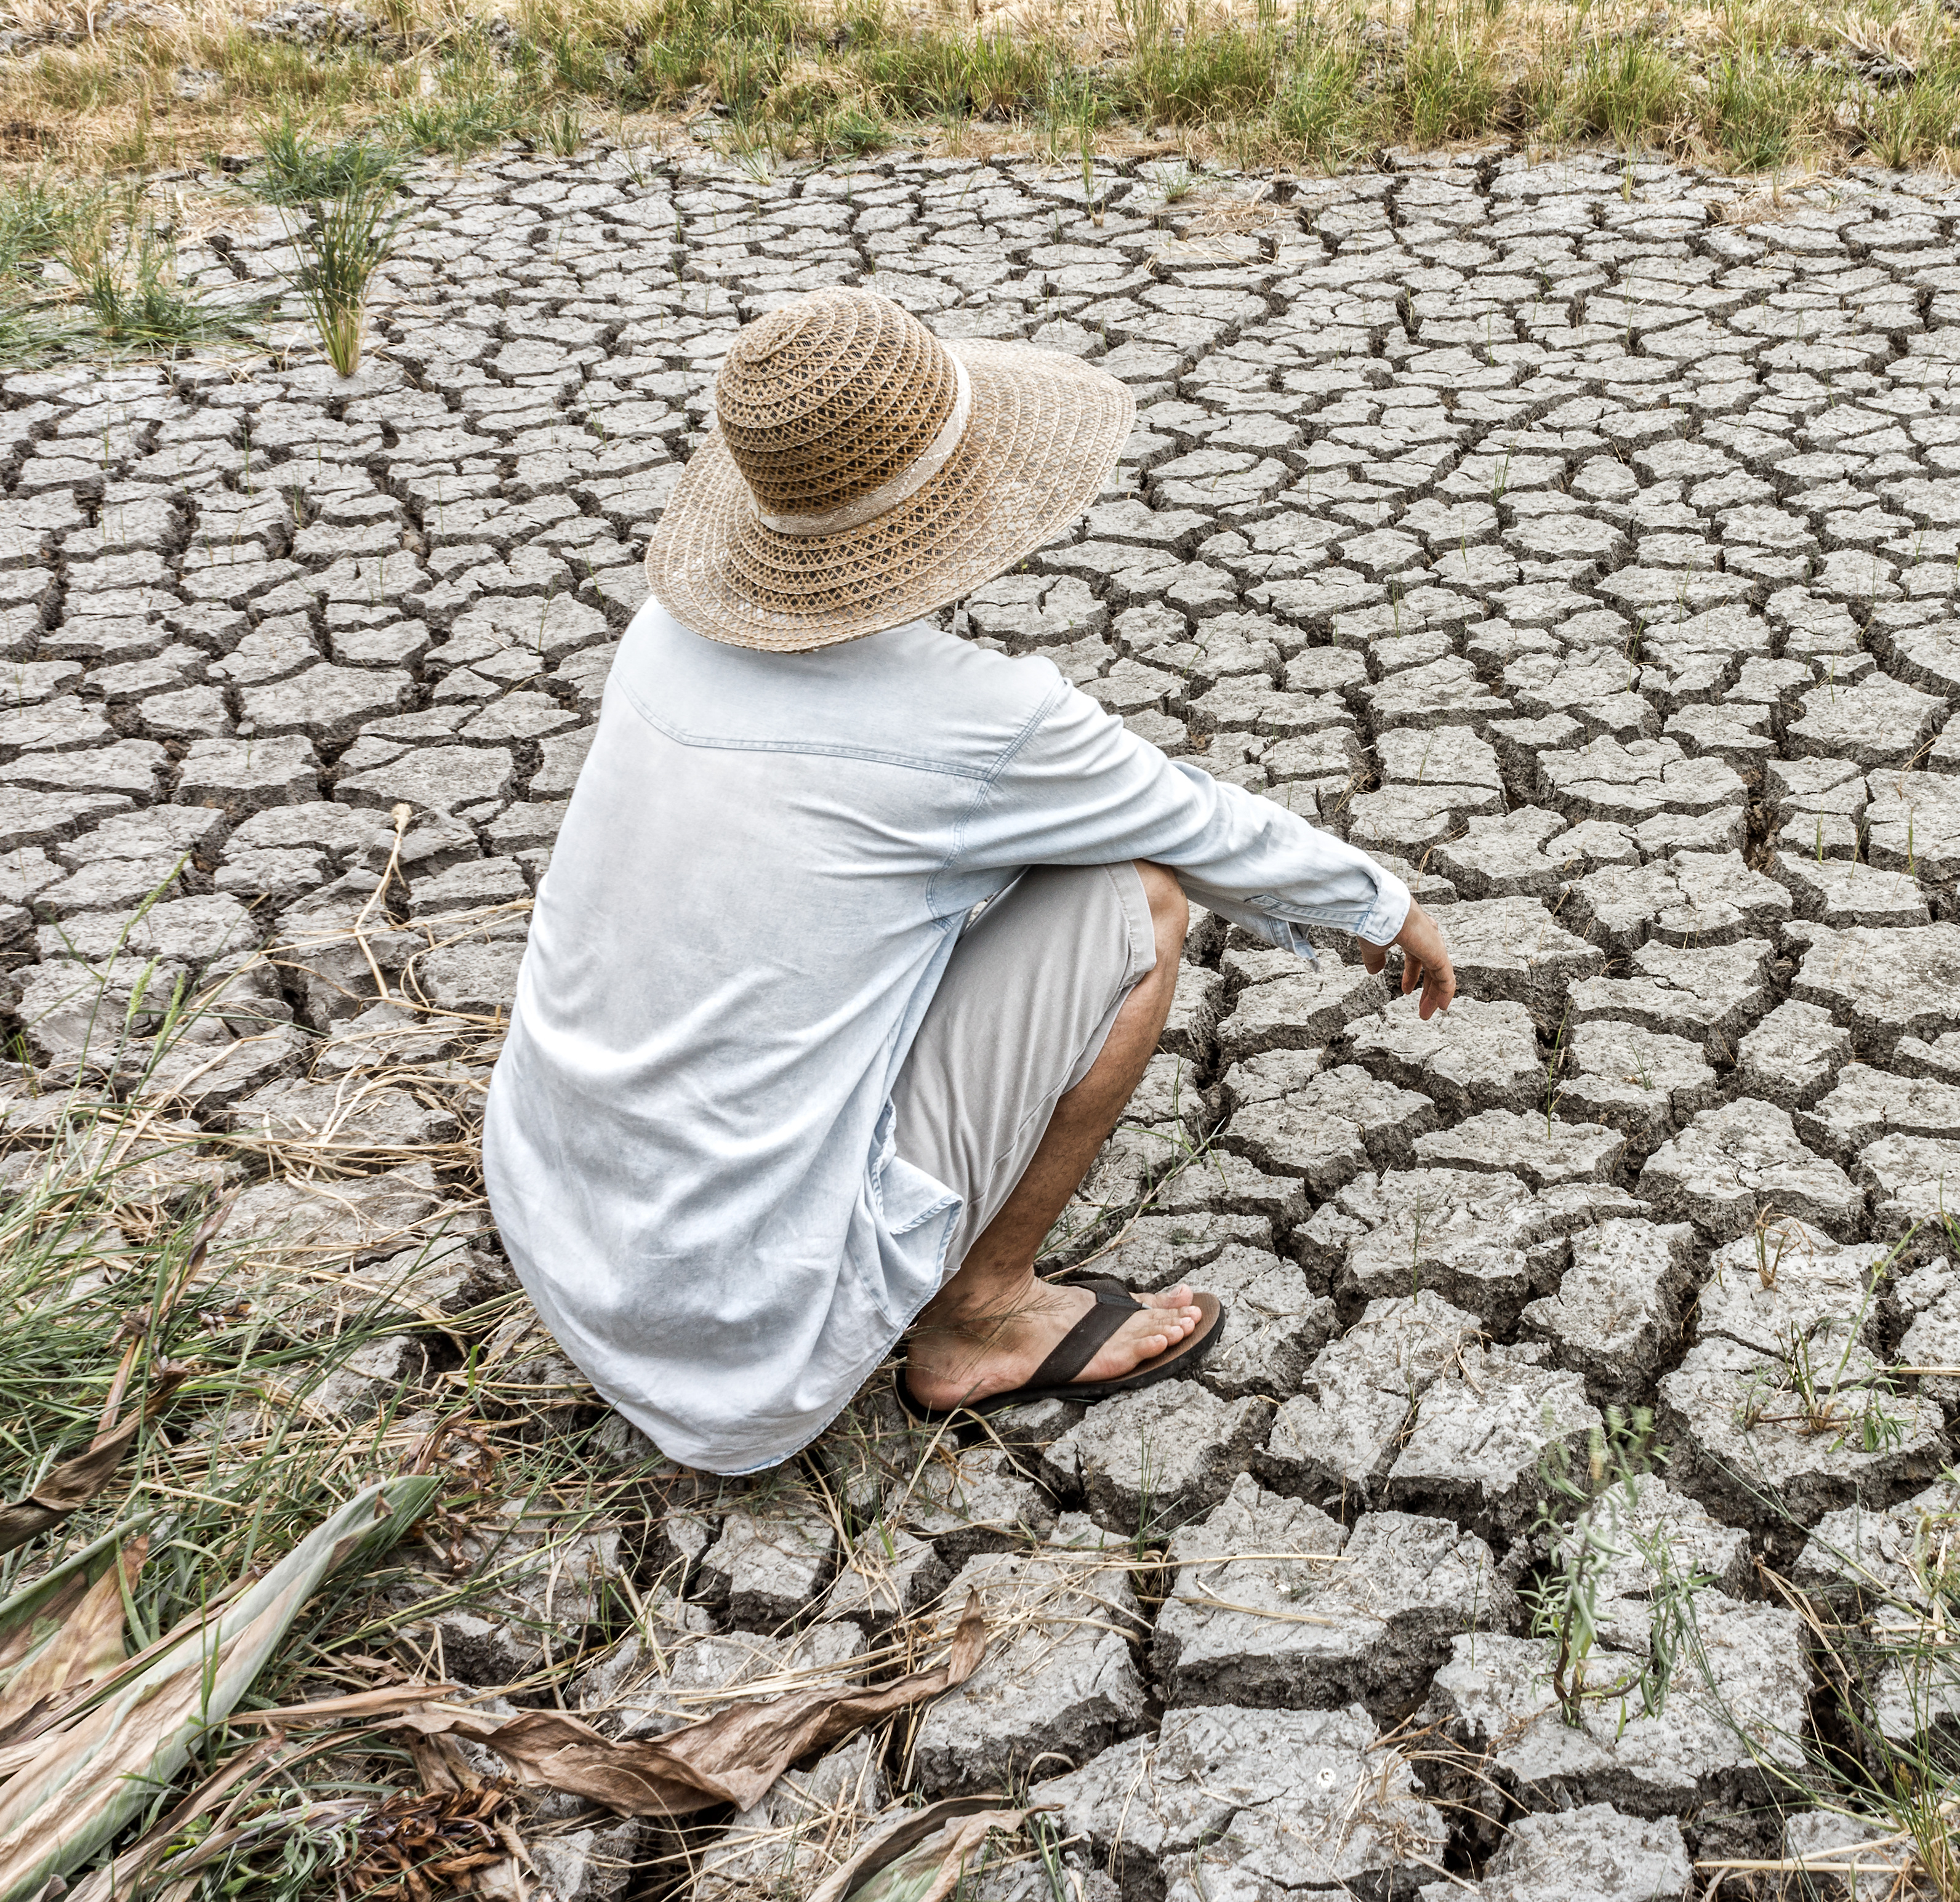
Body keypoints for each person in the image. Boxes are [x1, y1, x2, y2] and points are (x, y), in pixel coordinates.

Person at [483, 287, 1456, 1475]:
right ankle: (980, 1318)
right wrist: (1384, 906)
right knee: (1132, 895)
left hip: (563, 1236)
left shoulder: (662, 635)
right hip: (745, 1348)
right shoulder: (983, 722)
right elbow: (1197, 827)